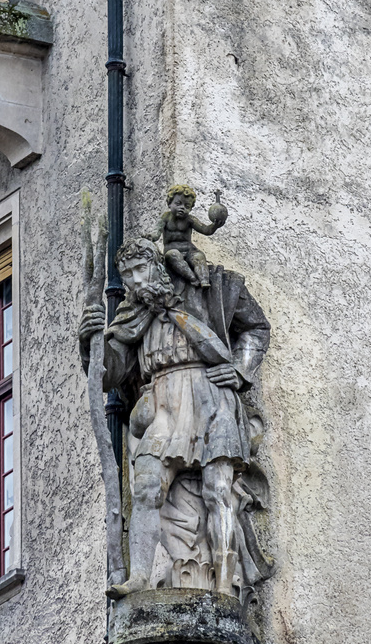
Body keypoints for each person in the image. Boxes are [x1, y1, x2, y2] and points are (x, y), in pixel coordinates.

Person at [79, 235, 272, 602]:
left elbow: (256, 328)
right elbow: (110, 372)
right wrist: (90, 343)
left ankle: (223, 584)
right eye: (128, 275)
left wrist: (242, 370)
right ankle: (138, 577)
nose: (135, 281)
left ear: (157, 265)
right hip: (163, 401)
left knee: (218, 490)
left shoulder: (208, 289)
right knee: (147, 486)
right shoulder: (133, 314)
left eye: (141, 270)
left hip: (210, 394)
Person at [148, 184, 227, 288]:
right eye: (178, 204)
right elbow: (156, 232)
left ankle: (204, 281)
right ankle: (192, 278)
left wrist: (215, 226)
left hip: (189, 250)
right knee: (173, 255)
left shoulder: (190, 219)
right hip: (172, 251)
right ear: (169, 204)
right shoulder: (165, 217)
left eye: (187, 206)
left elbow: (205, 230)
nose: (182, 208)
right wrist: (150, 237)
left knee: (199, 257)